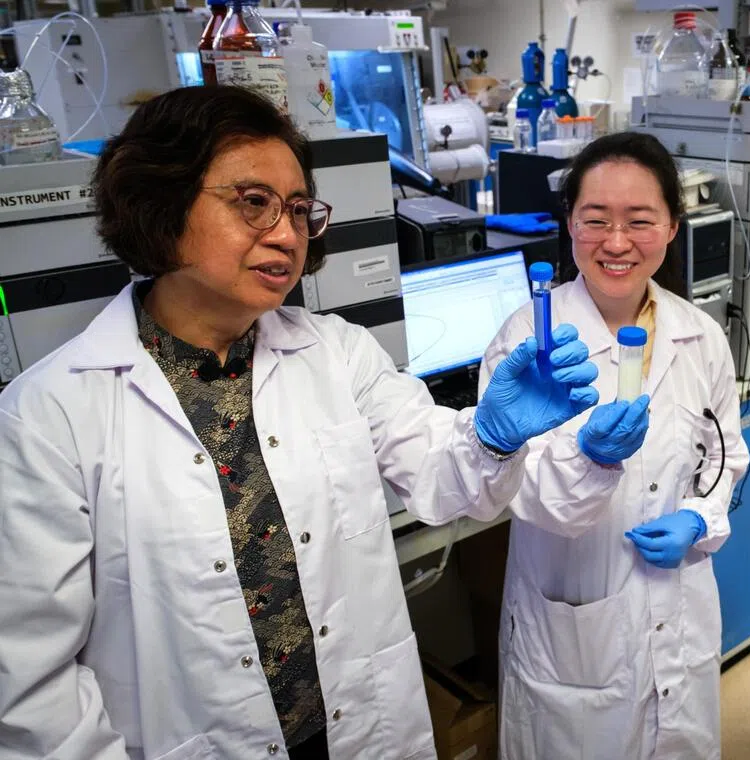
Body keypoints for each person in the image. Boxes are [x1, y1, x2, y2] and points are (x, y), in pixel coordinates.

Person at [0, 86, 628, 760]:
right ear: (160, 203)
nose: (285, 232)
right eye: (252, 203)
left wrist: (492, 436)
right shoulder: (49, 416)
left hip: (361, 730)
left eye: (299, 210)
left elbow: (442, 480)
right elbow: (35, 688)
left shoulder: (338, 352)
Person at [480, 132, 750, 760]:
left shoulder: (700, 334)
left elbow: (722, 454)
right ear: (569, 224)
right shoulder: (530, 337)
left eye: (640, 221)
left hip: (678, 606)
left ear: (673, 228)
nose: (618, 242)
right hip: (574, 620)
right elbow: (512, 486)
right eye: (596, 220)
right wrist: (591, 462)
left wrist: (699, 516)